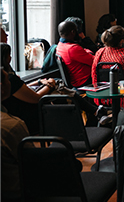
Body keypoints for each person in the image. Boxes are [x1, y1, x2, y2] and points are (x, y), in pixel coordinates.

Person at [1, 44, 104, 132]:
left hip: (21, 112)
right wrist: (50, 85)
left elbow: (23, 87)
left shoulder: (6, 78)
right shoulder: (11, 79)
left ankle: (92, 115)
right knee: (59, 88)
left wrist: (39, 81)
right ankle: (89, 118)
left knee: (60, 89)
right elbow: (36, 98)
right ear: (8, 59)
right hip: (32, 117)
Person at [1, 68, 30, 201]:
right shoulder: (12, 126)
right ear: (1, 87)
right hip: (17, 193)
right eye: (8, 79)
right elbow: (32, 163)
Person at [55, 21, 94, 87]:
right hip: (84, 81)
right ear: (73, 32)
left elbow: (83, 51)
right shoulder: (73, 48)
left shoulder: (60, 45)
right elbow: (94, 61)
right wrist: (89, 51)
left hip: (75, 80)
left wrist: (85, 51)